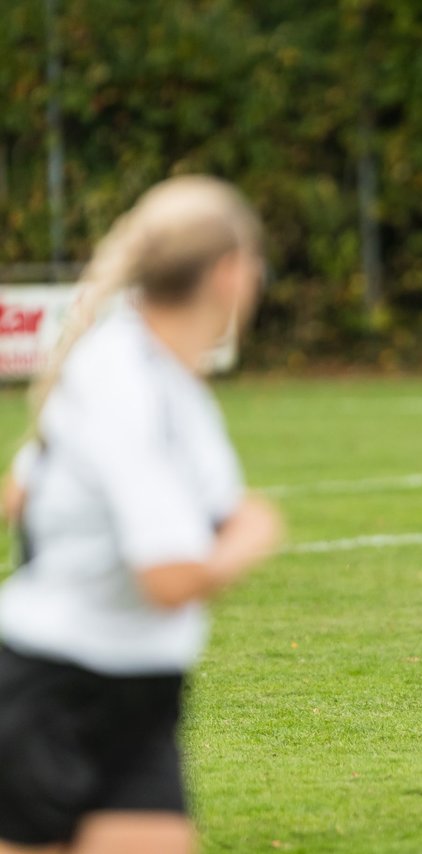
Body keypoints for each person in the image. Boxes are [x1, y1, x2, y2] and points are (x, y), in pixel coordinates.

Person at [0, 176, 282, 854]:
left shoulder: (164, 376)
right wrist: (252, 536)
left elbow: (22, 494)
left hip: (144, 692)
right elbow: (169, 578)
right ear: (229, 272)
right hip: (55, 689)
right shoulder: (125, 381)